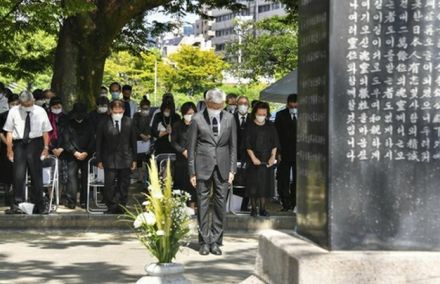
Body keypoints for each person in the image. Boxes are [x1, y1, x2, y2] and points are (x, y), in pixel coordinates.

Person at [188, 88, 237, 256]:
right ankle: (203, 241)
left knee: (220, 204)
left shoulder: (230, 118)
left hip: (223, 166)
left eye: (221, 104)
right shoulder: (197, 119)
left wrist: (232, 169)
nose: (218, 107)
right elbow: (191, 147)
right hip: (202, 166)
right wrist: (192, 172)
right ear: (207, 102)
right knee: (202, 204)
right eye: (215, 105)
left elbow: (233, 146)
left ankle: (215, 240)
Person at [3, 91, 52, 214]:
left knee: (36, 175)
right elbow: (8, 131)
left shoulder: (40, 111)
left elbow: (46, 131)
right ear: (21, 102)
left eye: (29, 103)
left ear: (33, 100)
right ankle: (17, 204)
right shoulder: (13, 111)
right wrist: (9, 149)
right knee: (18, 175)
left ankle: (39, 204)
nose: (27, 106)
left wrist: (46, 147)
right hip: (19, 144)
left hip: (36, 143)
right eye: (25, 104)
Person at [96, 100, 137, 214]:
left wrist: (134, 159)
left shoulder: (129, 122)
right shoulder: (103, 123)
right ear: (110, 111)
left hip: (125, 158)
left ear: (123, 110)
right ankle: (111, 206)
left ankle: (122, 206)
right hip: (109, 159)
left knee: (124, 184)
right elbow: (99, 142)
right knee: (109, 184)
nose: (117, 113)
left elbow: (133, 142)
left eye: (120, 111)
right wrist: (98, 159)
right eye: (115, 111)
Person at [245, 102, 279, 217]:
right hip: (253, 159)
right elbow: (247, 145)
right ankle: (253, 209)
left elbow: (275, 143)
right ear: (255, 113)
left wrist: (273, 156)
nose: (261, 116)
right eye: (259, 114)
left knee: (265, 185)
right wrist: (253, 158)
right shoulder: (249, 126)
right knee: (253, 185)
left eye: (264, 114)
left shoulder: (270, 126)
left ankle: (263, 208)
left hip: (266, 159)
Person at [60, 103, 95, 209]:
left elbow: (93, 140)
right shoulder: (68, 124)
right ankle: (71, 201)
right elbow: (65, 140)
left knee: (85, 178)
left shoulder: (90, 124)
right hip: (72, 155)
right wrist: (74, 152)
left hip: (86, 154)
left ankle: (84, 201)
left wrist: (86, 152)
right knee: (71, 178)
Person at [171, 102, 197, 209]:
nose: (190, 115)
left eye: (192, 113)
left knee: (193, 185)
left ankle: (192, 207)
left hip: (194, 160)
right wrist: (183, 151)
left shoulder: (198, 125)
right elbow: (173, 142)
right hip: (181, 160)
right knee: (180, 183)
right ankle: (179, 207)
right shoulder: (177, 125)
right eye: (187, 113)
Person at [275, 94, 298, 212]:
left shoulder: (304, 114)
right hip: (284, 152)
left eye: (295, 103)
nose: (293, 106)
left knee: (297, 179)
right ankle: (285, 203)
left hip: (299, 153)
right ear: (288, 103)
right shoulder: (280, 115)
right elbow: (276, 135)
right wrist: (277, 152)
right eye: (291, 103)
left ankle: (295, 203)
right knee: (283, 179)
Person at [0, 94, 20, 202]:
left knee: (18, 171)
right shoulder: (3, 116)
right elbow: (1, 133)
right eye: (12, 104)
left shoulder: (23, 116)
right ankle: (8, 195)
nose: (15, 106)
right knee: (7, 171)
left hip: (19, 146)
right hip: (6, 147)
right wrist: (8, 144)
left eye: (17, 104)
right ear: (8, 104)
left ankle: (17, 195)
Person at [234, 95, 252, 211]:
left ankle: (245, 206)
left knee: (247, 181)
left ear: (249, 106)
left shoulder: (252, 118)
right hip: (234, 154)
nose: (243, 106)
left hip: (249, 155)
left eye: (245, 103)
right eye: (240, 103)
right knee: (235, 180)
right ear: (236, 105)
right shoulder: (230, 118)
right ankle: (234, 205)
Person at [132, 96, 152, 182]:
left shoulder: (151, 116)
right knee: (139, 159)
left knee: (148, 160)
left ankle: (147, 178)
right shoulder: (136, 115)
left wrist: (149, 136)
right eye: (143, 108)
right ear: (140, 107)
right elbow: (134, 127)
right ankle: (140, 177)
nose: (145, 110)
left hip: (149, 140)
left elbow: (153, 127)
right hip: (138, 140)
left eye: (147, 108)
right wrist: (141, 135)